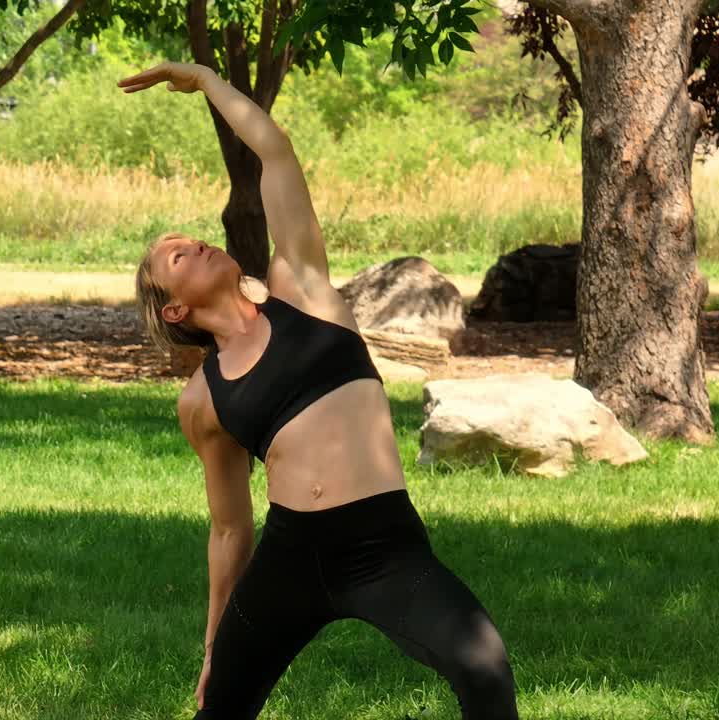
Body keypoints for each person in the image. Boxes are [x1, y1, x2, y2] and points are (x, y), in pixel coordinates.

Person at [120, 61, 520, 720]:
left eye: (194, 239)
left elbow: (275, 153)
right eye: (178, 256)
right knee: (220, 709)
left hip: (383, 545)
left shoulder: (301, 289)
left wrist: (208, 81)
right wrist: (215, 642)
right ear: (175, 310)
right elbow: (229, 528)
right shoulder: (202, 400)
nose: (197, 245)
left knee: (485, 668)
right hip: (292, 557)